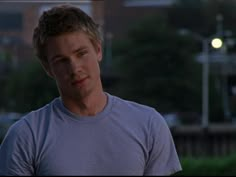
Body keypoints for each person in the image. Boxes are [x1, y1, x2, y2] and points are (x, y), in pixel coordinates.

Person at [0, 4, 182, 176]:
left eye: (81, 54)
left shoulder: (149, 125)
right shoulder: (25, 136)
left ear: (98, 50)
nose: (74, 68)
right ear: (48, 68)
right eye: (61, 61)